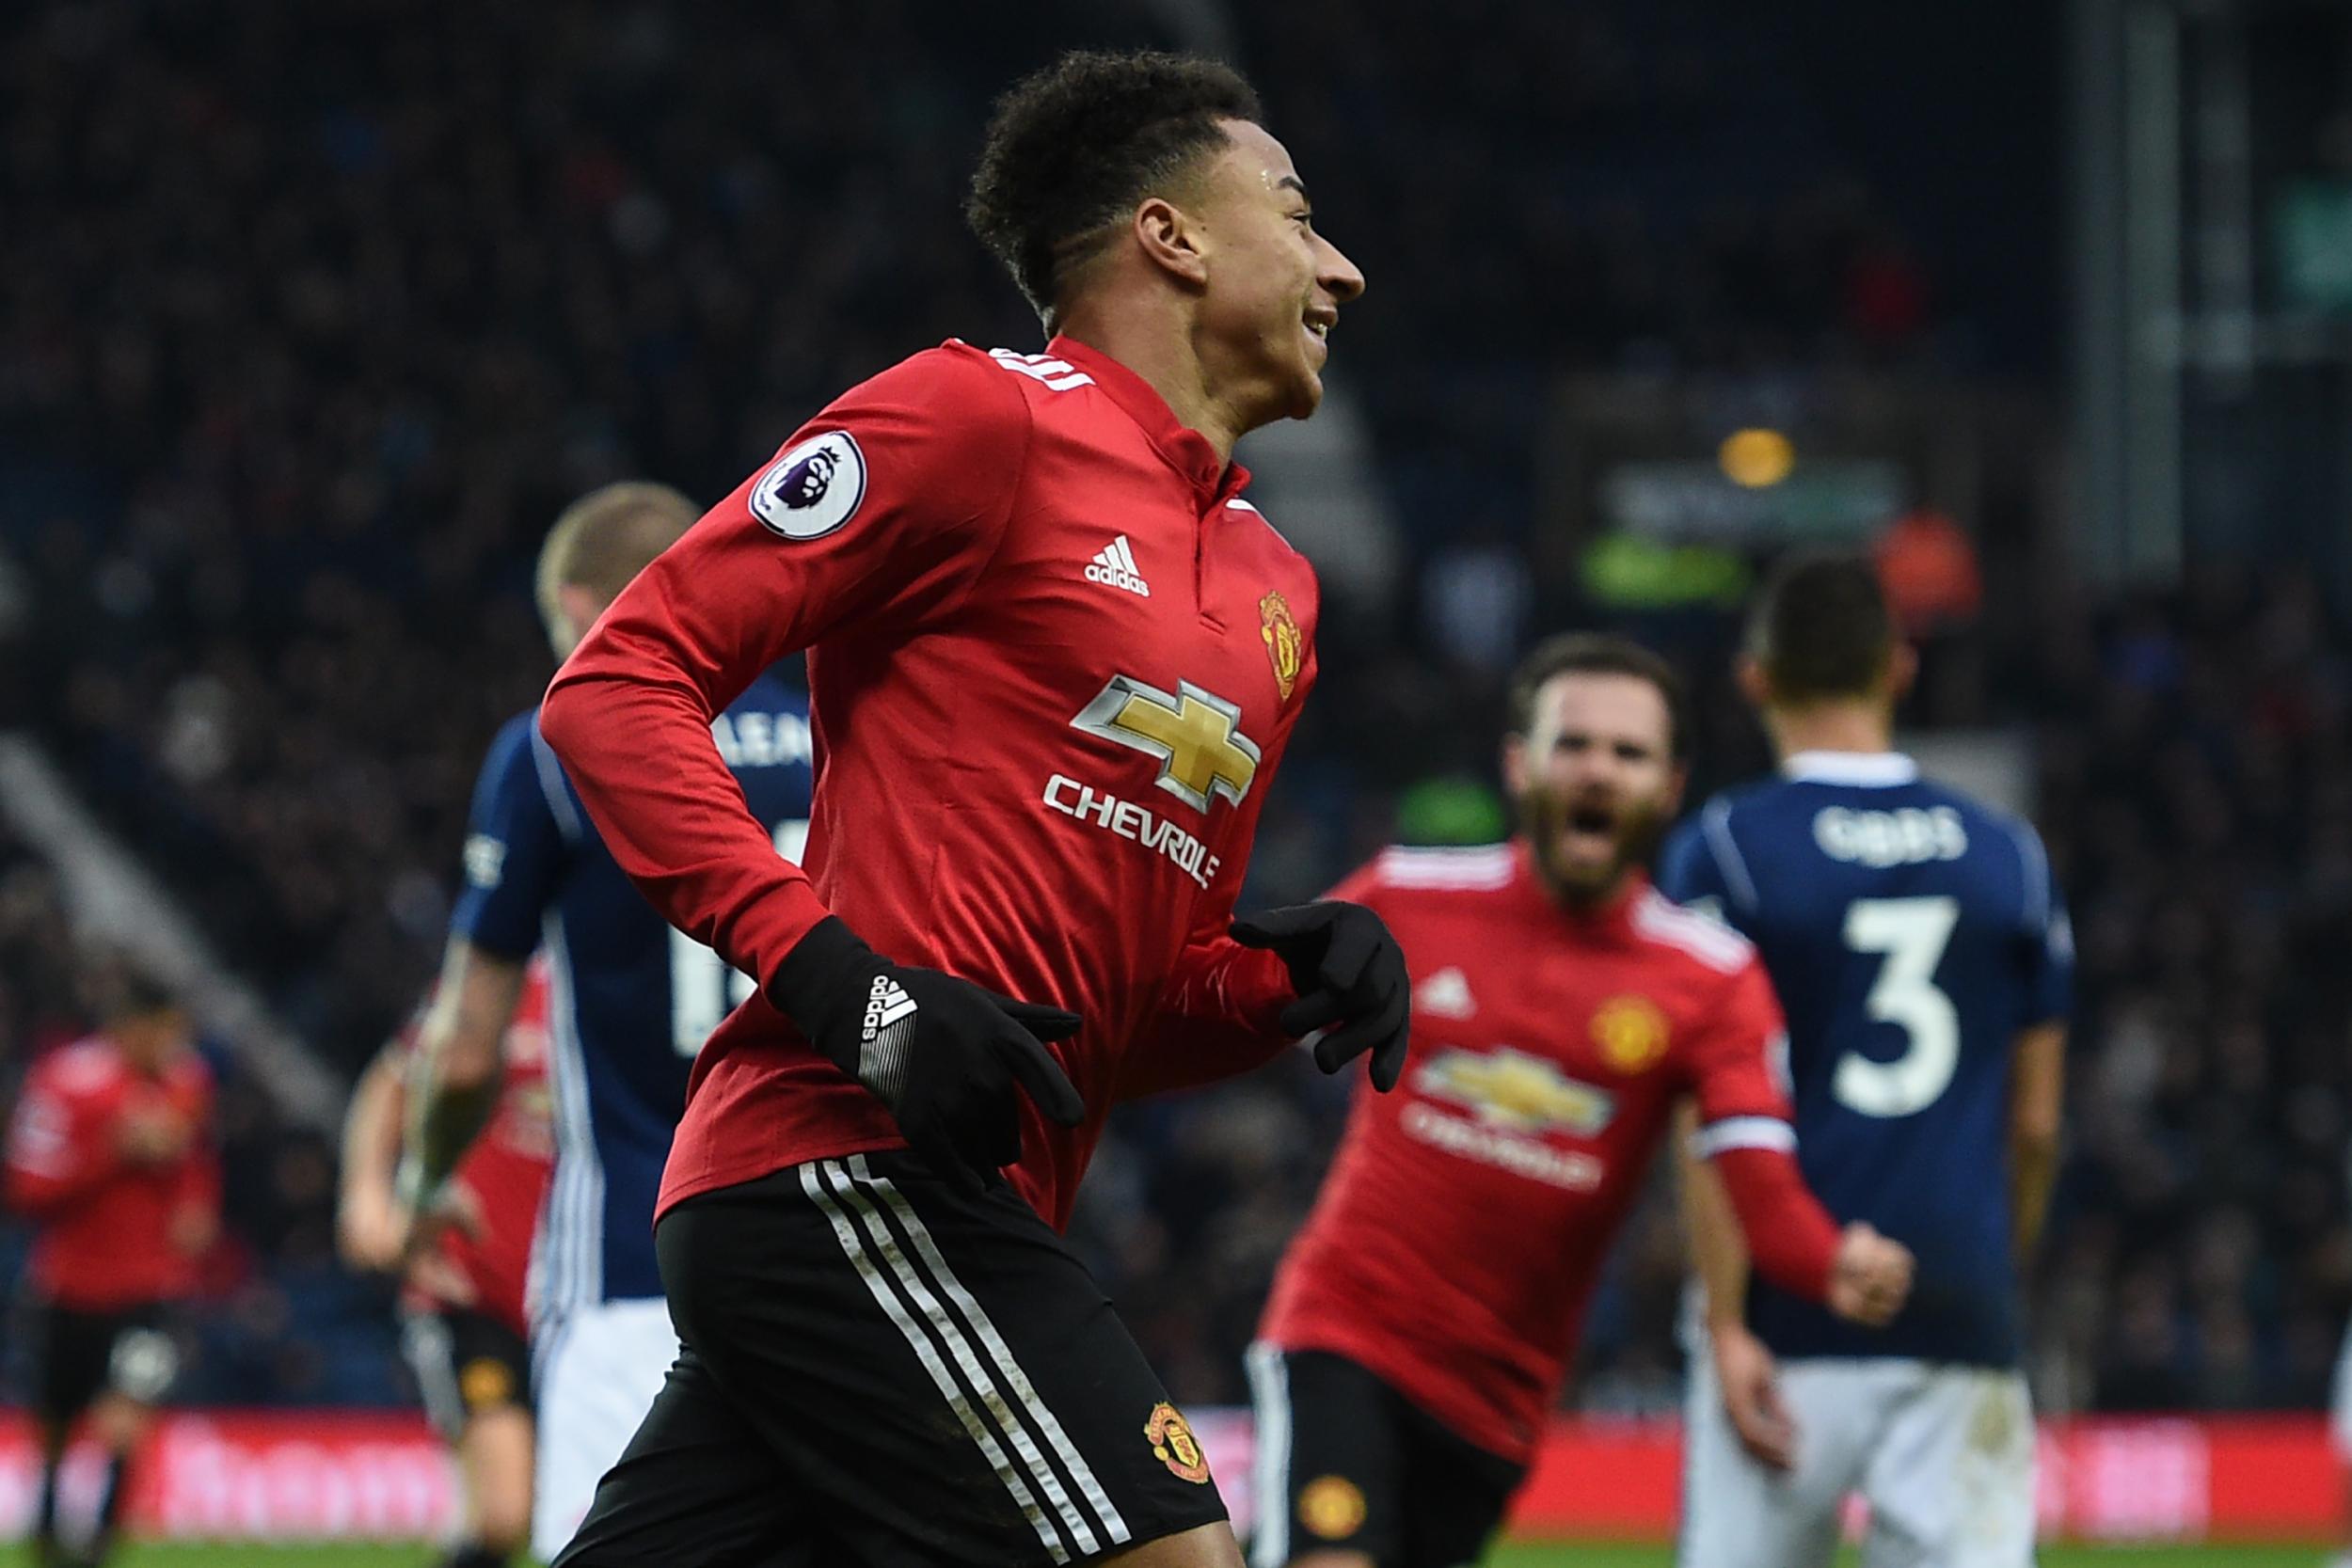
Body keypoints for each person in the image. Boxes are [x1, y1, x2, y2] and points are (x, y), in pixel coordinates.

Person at [540, 48, 1405, 1568]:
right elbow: (613, 689)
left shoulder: (1279, 592)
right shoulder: (976, 421)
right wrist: (853, 994)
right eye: (1297, 210)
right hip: (843, 1160)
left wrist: (1275, 988)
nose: (1342, 263)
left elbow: (1104, 1016)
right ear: (1171, 236)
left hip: (930, 1196)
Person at [1246, 634, 1915, 1568]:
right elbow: (1235, 1005)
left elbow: (1754, 1180)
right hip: (1343, 1334)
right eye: (1574, 743)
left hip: (1498, 1408)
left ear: (1669, 785)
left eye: (1628, 752)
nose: (1598, 769)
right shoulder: (1405, 897)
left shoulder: (1710, 980)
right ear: (1519, 763)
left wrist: (1824, 1258)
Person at [396, 481, 815, 1561]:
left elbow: (463, 1051)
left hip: (639, 1260)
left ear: (583, 607)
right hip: (838, 1265)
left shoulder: (552, 745)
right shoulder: (838, 729)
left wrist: (426, 1180)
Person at [1659, 551, 2071, 1568]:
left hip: (1784, 1309)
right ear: (1899, 666)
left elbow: (1705, 1117)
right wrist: (1992, 1271)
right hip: (1956, 1301)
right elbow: (2036, 1123)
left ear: (1756, 677)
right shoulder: (2007, 855)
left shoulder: (1725, 850)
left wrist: (1724, 1318)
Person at [340, 957, 556, 1568]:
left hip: (573, 1300)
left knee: (566, 1511)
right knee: (504, 1511)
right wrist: (366, 1194)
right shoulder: (504, 984)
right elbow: (391, 1078)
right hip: (470, 1288)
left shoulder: (638, 993)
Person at [5, 973, 217, 1568]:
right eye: (166, 1032)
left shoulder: (185, 1081)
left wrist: (196, 1207)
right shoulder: (66, 1083)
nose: (175, 1044)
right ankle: (47, 1536)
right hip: (68, 1285)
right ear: (130, 1028)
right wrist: (113, 1152)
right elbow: (28, 1189)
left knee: (129, 1417)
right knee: (57, 1422)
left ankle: (98, 1548)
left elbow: (195, 1162)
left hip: (151, 1289)